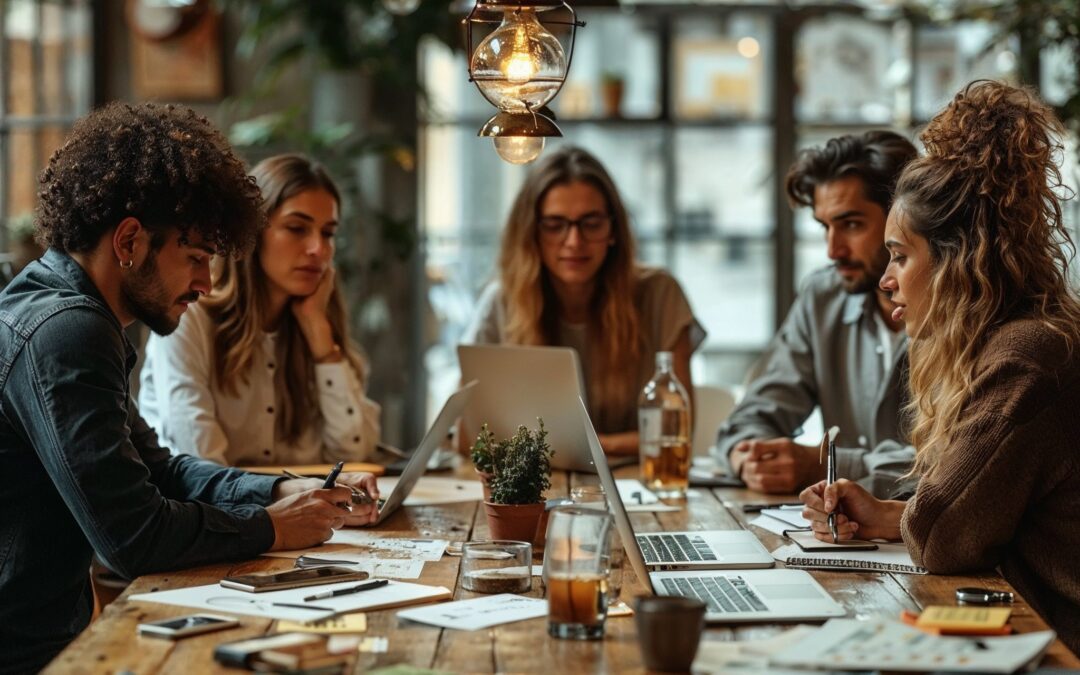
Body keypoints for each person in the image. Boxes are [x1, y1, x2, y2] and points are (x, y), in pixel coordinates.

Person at [0, 103, 380, 673]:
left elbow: (163, 470)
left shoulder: (74, 316)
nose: (206, 282)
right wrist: (272, 528)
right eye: (196, 257)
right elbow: (134, 538)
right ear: (129, 240)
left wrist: (280, 493)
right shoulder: (67, 333)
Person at [800, 81, 1080, 652]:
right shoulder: (1023, 338)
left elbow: (942, 537)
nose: (886, 278)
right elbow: (970, 516)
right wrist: (882, 515)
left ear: (957, 262)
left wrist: (906, 518)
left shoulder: (1027, 359)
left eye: (900, 256)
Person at [139, 154, 380, 466]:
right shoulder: (189, 316)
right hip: (212, 511)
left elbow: (353, 453)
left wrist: (321, 340)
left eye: (328, 233)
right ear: (252, 233)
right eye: (297, 228)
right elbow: (201, 461)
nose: (318, 249)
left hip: (297, 509)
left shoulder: (315, 325)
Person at [463, 146, 705, 456]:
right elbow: (467, 436)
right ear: (531, 233)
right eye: (554, 225)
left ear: (613, 230)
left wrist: (582, 447)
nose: (574, 241)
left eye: (590, 223)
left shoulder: (661, 295)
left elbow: (677, 432)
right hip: (533, 489)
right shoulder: (501, 302)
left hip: (637, 489)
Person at [717, 131, 918, 497]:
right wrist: (750, 458)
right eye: (825, 227)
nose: (832, 250)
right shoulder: (823, 297)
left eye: (851, 224)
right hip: (843, 539)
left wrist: (828, 463)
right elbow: (751, 417)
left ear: (903, 218)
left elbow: (955, 466)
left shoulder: (960, 313)